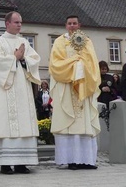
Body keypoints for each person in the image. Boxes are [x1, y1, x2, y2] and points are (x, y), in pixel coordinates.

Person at [0, 11, 42, 174]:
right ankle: (5, 163)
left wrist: (23, 59)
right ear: (7, 23)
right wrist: (14, 57)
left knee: (22, 121)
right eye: (16, 22)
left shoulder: (24, 42)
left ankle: (22, 163)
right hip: (4, 88)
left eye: (20, 22)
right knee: (4, 122)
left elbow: (34, 60)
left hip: (21, 87)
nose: (19, 25)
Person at [49, 15, 101, 170]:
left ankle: (87, 160)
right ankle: (72, 160)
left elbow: (93, 63)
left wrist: (83, 67)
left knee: (84, 122)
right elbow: (55, 64)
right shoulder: (59, 41)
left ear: (79, 25)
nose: (72, 26)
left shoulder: (87, 41)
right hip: (67, 86)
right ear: (65, 25)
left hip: (84, 87)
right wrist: (74, 65)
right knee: (69, 123)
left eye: (74, 23)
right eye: (69, 23)